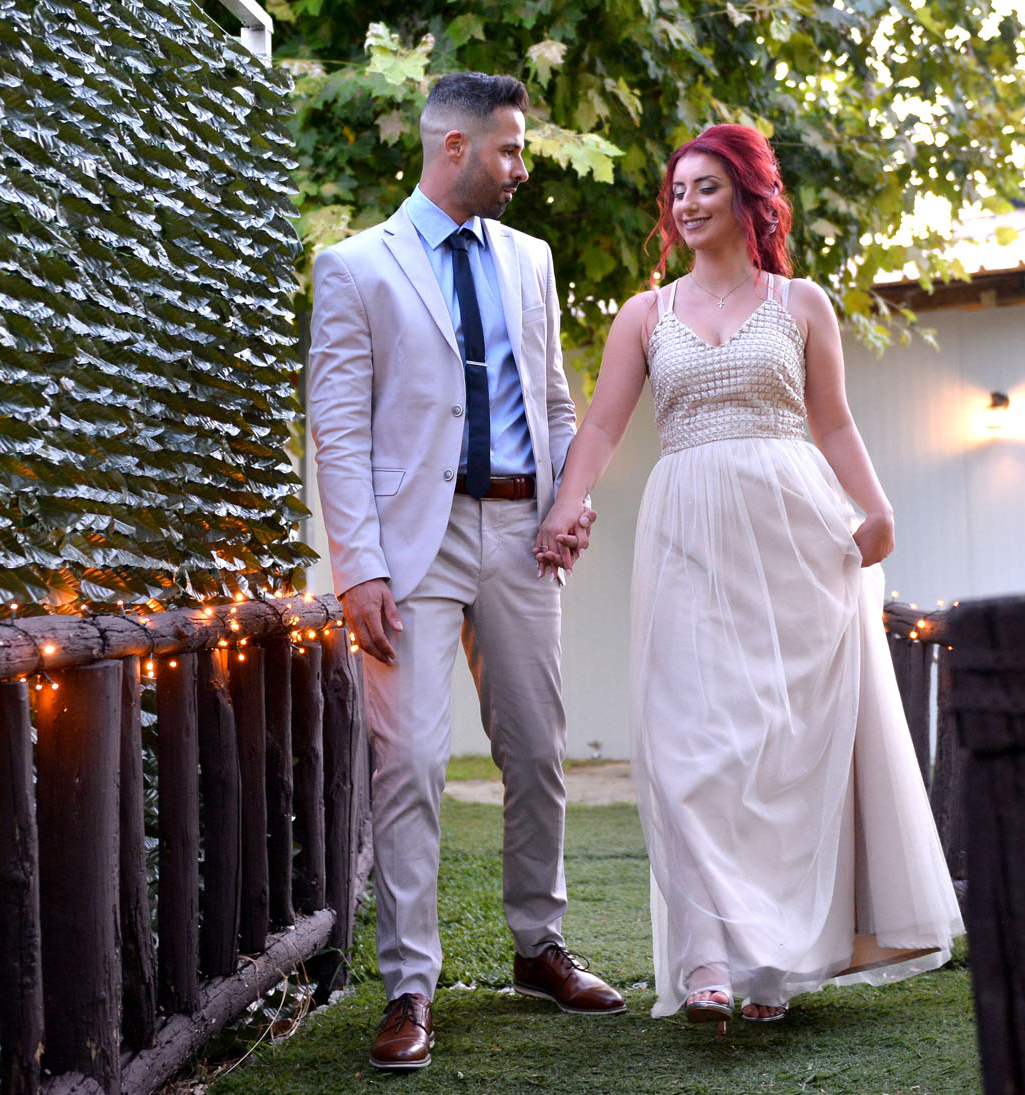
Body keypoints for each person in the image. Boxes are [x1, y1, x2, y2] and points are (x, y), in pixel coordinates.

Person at [534, 123, 964, 1030]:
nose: (687, 203)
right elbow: (603, 425)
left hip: (793, 533)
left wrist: (876, 505)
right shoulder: (645, 315)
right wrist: (569, 503)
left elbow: (833, 422)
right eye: (678, 189)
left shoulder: (801, 303)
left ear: (747, 199)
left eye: (707, 187)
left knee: (778, 748)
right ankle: (704, 962)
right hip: (687, 532)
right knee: (689, 747)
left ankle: (769, 960)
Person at [306, 72, 625, 1071]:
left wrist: (568, 503)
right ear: (454, 147)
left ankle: (539, 946)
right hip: (412, 547)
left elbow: (555, 403)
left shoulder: (531, 260)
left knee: (536, 749)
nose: (522, 167)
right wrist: (357, 567)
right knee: (408, 762)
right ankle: (409, 983)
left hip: (522, 536)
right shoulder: (355, 266)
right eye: (510, 149)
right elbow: (337, 426)